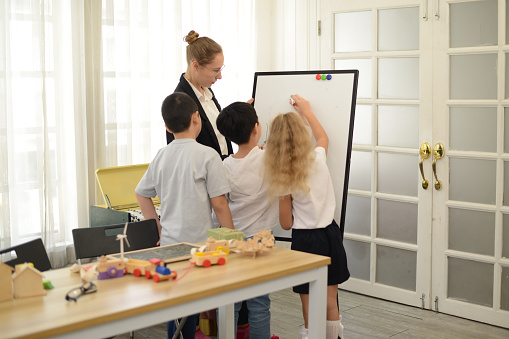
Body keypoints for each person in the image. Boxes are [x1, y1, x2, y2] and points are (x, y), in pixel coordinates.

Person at [136, 92, 235, 339]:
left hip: (170, 244)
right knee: (202, 302)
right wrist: (233, 238)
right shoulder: (207, 155)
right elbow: (220, 204)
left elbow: (141, 194)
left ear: (167, 126)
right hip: (200, 246)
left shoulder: (161, 154)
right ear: (196, 118)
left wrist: (156, 227)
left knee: (179, 306)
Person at [264, 95, 350, 339]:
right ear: (303, 137)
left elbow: (286, 223)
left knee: (310, 305)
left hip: (305, 242)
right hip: (331, 235)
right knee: (330, 302)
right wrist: (308, 112)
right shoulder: (318, 160)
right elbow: (323, 138)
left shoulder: (285, 177)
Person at [215, 102, 279, 339]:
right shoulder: (268, 159)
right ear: (256, 128)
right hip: (260, 238)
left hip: (230, 238)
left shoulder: (224, 165)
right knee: (259, 303)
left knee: (230, 302)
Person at [169, 30, 233, 160]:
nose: (220, 76)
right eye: (216, 70)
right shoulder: (179, 103)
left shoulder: (207, 93)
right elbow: (180, 156)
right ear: (196, 65)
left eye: (220, 69)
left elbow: (218, 136)